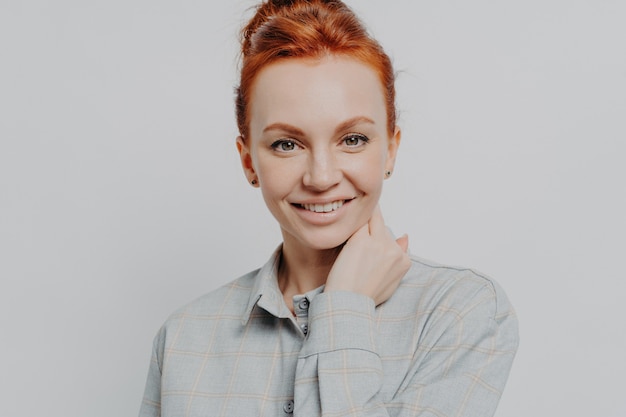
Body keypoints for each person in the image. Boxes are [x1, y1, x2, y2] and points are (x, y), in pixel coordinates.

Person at [138, 1, 519, 416]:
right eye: (287, 144)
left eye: (352, 139)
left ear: (391, 149)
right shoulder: (183, 338)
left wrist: (344, 308)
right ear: (248, 161)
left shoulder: (459, 313)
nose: (321, 177)